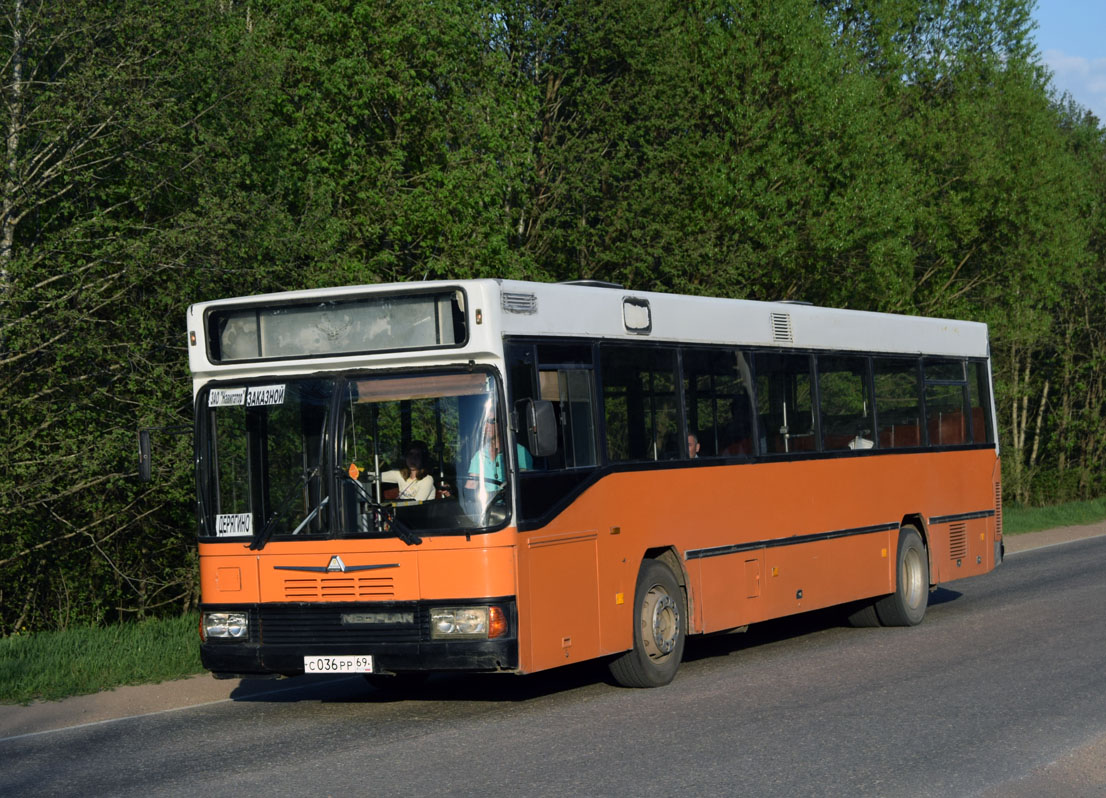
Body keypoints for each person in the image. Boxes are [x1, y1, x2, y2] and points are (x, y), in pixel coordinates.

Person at [465, 419, 532, 492]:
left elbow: (524, 486)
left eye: (492, 421)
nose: (487, 425)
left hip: (508, 502)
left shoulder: (519, 452)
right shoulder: (480, 455)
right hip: (488, 503)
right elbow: (471, 485)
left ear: (502, 423)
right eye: (485, 422)